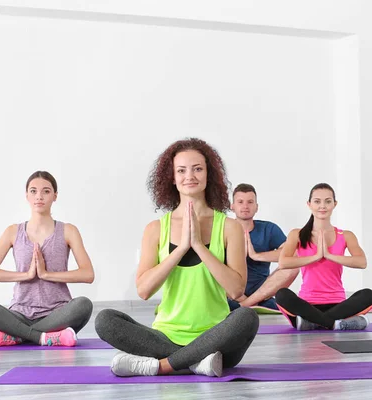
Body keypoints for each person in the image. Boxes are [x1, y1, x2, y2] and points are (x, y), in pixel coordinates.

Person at [95, 138, 259, 377]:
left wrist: (199, 247)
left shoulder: (229, 227)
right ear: (172, 177)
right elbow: (143, 291)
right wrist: (181, 248)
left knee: (247, 317)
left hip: (216, 336)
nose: (189, 176)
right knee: (105, 320)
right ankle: (196, 362)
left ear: (208, 174)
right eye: (181, 170)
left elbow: (236, 291)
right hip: (166, 336)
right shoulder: (155, 229)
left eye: (197, 169)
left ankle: (163, 366)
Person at [0, 171, 94, 347]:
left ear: (55, 196)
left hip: (57, 313)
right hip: (19, 312)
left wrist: (46, 274)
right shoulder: (13, 231)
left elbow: (88, 274)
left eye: (46, 191)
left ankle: (16, 335)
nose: (39, 196)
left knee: (83, 305)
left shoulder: (68, 231)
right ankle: (44, 337)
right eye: (33, 191)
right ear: (26, 196)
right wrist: (26, 274)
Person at [275, 183, 372, 331]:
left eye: (328, 201)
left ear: (335, 204)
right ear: (309, 204)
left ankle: (313, 322)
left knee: (368, 295)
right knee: (281, 294)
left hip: (338, 304)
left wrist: (329, 255)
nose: (322, 206)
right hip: (307, 305)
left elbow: (362, 262)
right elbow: (283, 262)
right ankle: (334, 323)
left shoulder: (345, 235)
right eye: (317, 201)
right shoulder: (297, 234)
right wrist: (316, 256)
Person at [228, 183, 298, 311]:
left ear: (256, 207)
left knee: (292, 267)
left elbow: (292, 255)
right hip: (230, 290)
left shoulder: (269, 228)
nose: (245, 206)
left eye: (250, 202)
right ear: (232, 206)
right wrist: (237, 256)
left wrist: (256, 256)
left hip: (260, 291)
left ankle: (245, 304)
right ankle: (245, 303)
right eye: (240, 202)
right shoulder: (223, 228)